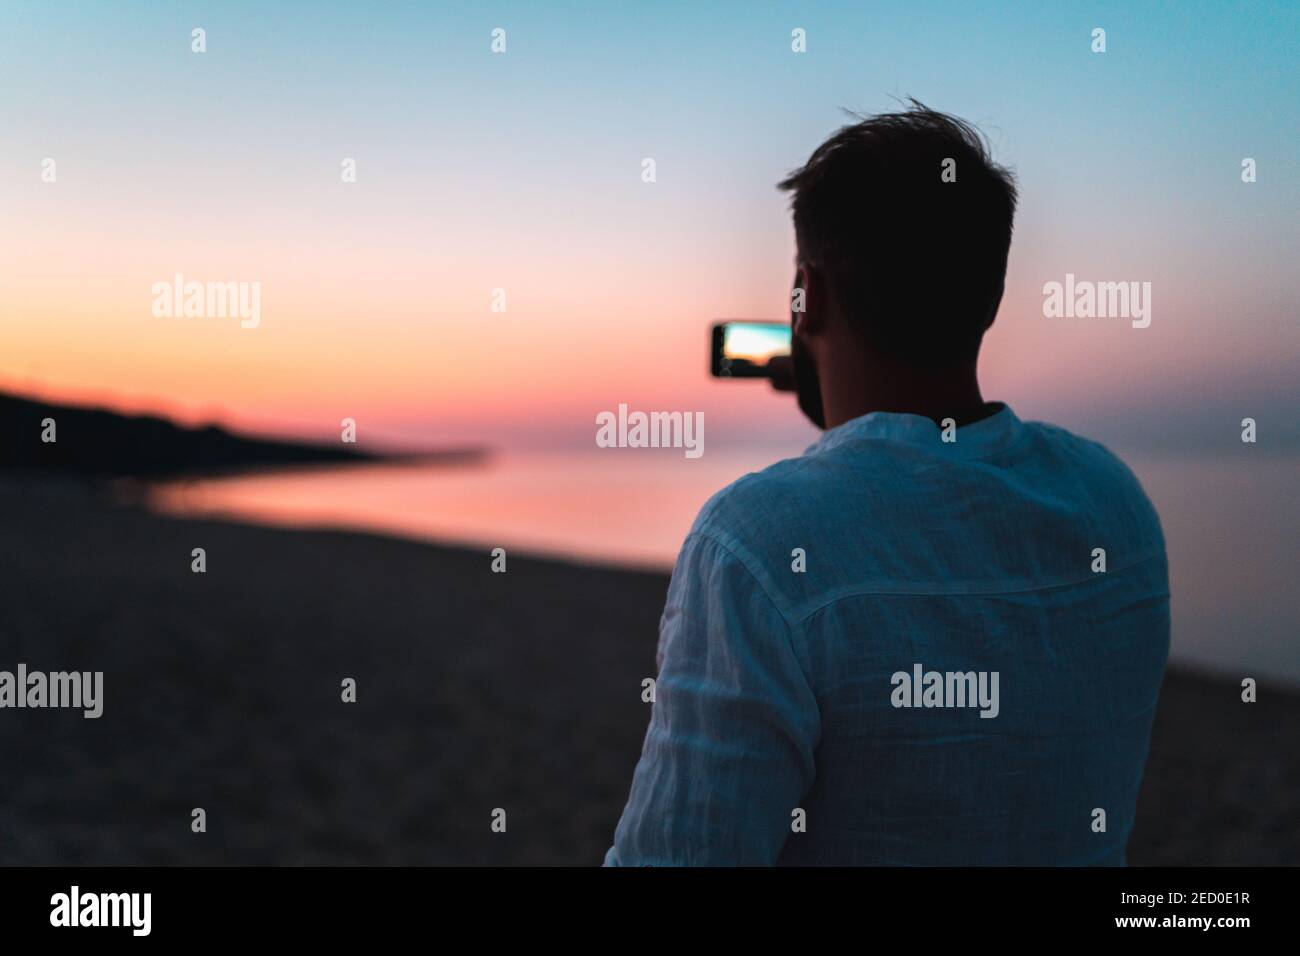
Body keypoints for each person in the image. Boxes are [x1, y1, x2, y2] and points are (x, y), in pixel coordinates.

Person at [605, 102, 1170, 865]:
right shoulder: (1116, 504)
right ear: (992, 296)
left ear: (806, 292)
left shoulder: (755, 545)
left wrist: (842, 435)